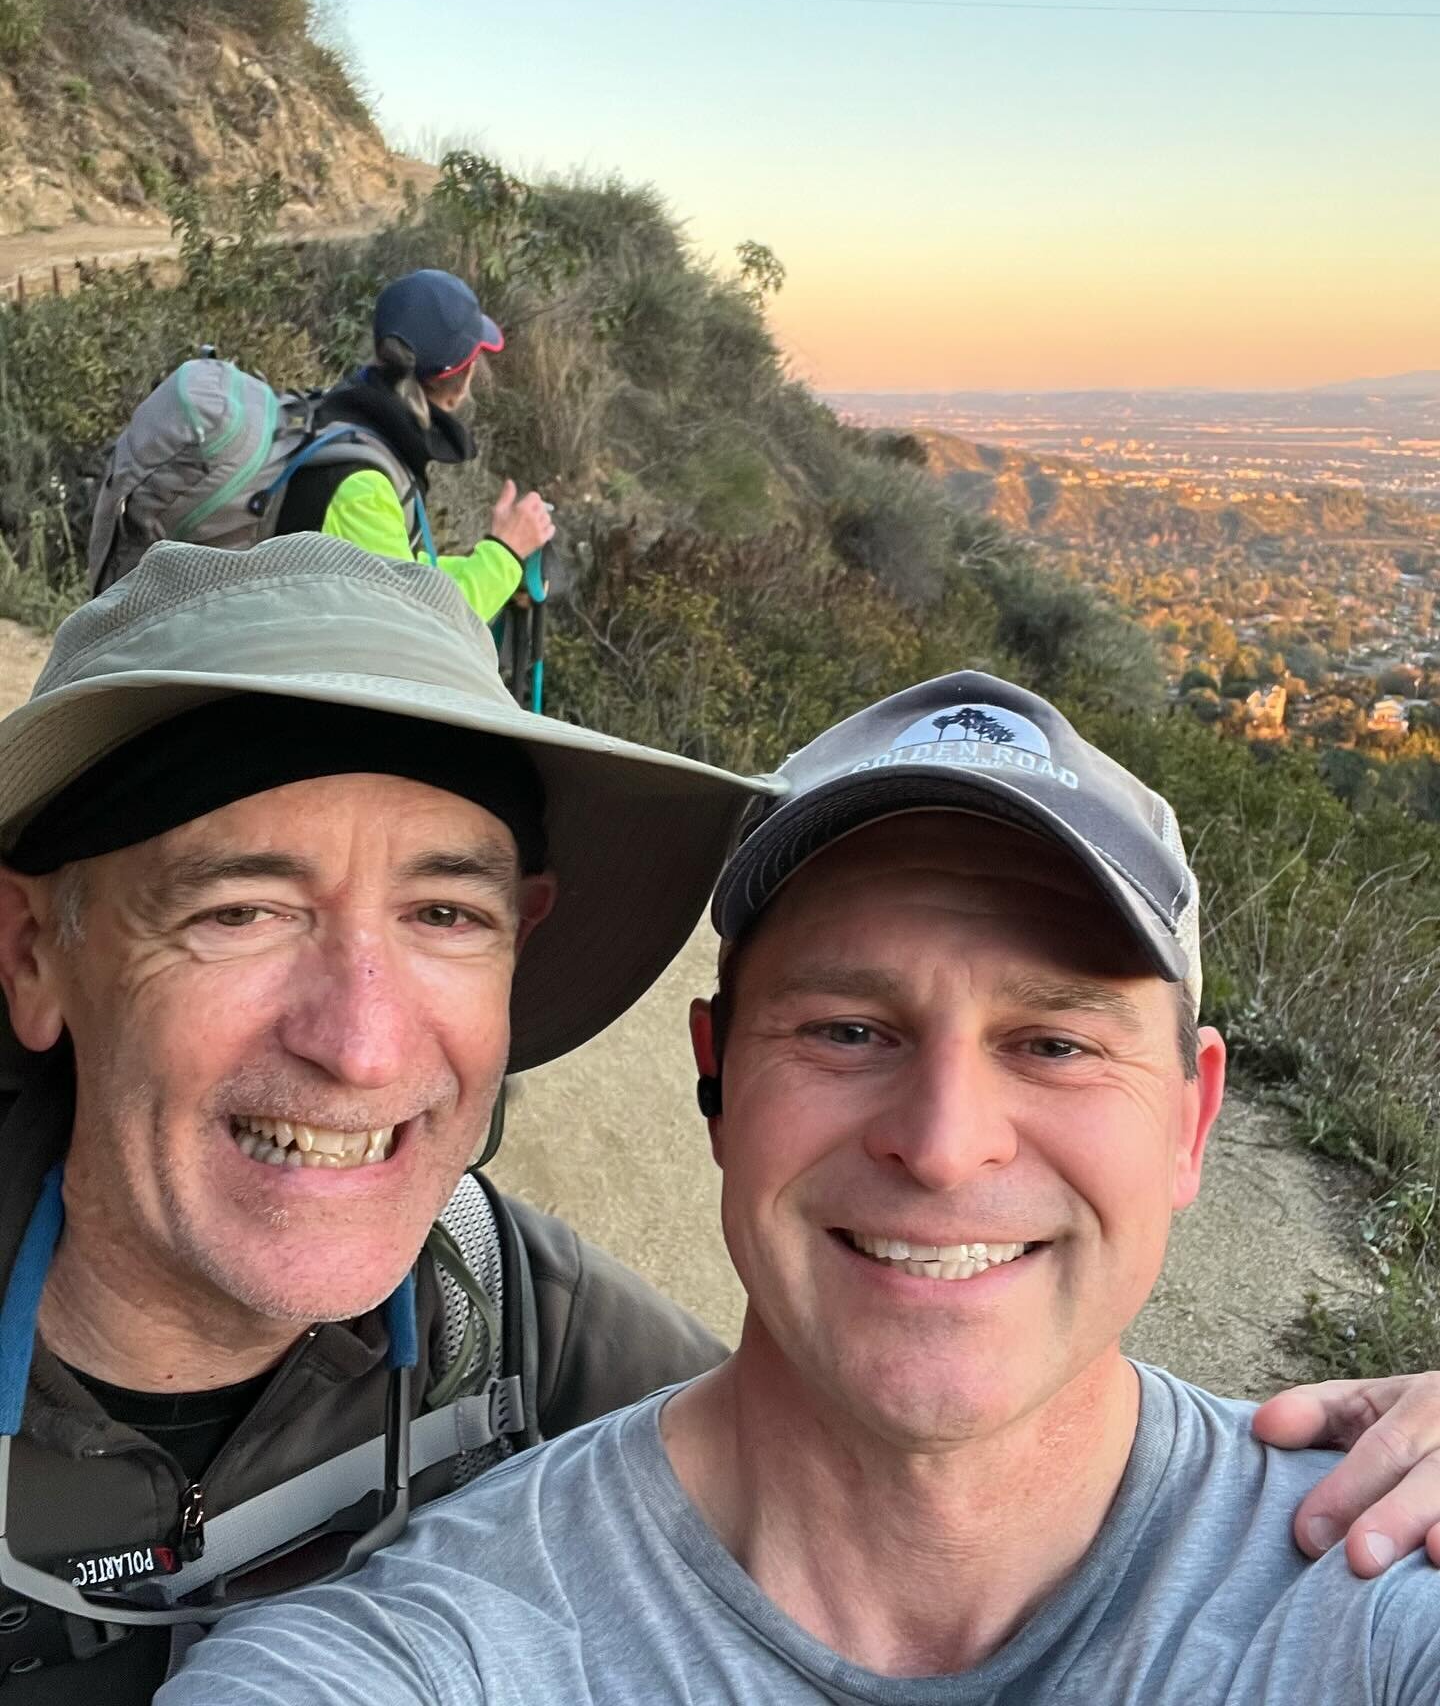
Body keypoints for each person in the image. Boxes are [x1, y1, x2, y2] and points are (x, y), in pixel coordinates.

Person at [163, 671, 1440, 1705]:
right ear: (718, 1084)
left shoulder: (1384, 1576)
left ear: (1191, 1119)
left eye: (1053, 1043)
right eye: (846, 1030)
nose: (943, 1146)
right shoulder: (425, 1656)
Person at [0, 533, 776, 1701]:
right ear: (32, 956)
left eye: (446, 916)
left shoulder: (512, 1321)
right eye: (242, 911)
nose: (359, 1046)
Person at [276, 267, 554, 623]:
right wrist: (505, 555)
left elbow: (400, 568)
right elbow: (416, 628)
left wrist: (495, 567)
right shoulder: (363, 484)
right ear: (463, 379)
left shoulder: (346, 417)